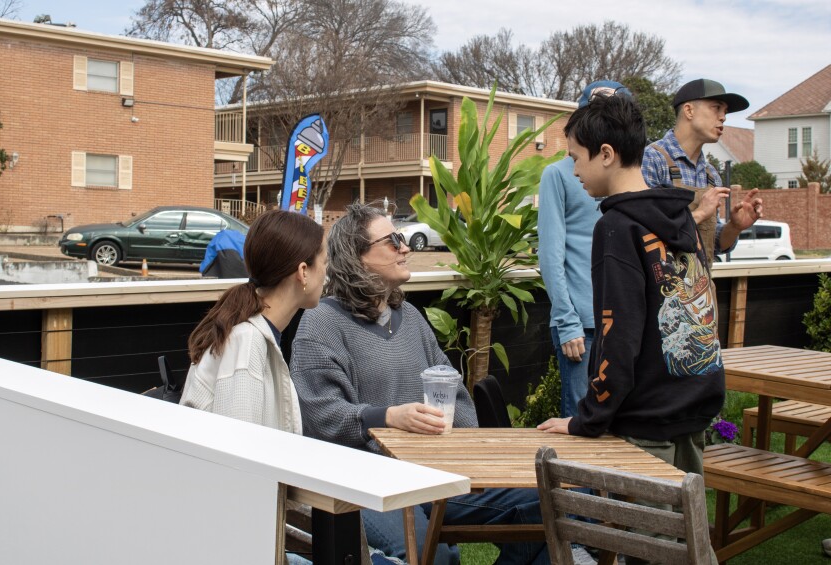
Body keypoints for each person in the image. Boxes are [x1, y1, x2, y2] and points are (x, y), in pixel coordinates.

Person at [290, 203, 550, 565]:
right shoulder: (321, 324)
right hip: (369, 481)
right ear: (358, 257)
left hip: (433, 474)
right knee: (435, 556)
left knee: (547, 505)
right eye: (393, 240)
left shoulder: (409, 317)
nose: (406, 247)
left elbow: (453, 390)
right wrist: (388, 417)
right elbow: (320, 417)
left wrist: (455, 437)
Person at [539, 92, 724, 565]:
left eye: (576, 157)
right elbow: (698, 305)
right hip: (691, 410)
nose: (574, 170)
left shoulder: (616, 227)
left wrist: (586, 420)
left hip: (647, 426)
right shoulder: (677, 214)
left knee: (654, 552)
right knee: (688, 544)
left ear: (606, 154)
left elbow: (616, 337)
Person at [180, 209, 325, 433]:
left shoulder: (251, 332)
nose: (327, 273)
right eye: (325, 263)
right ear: (303, 271)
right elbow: (240, 452)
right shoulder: (246, 342)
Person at [538, 80, 631, 420]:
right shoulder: (559, 174)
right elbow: (549, 253)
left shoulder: (632, 174)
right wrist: (567, 321)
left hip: (621, 321)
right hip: (582, 324)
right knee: (579, 418)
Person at [642, 78, 763, 263]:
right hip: (663, 290)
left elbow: (714, 245)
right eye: (716, 108)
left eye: (725, 112)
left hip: (703, 289)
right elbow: (642, 235)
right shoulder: (652, 160)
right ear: (689, 110)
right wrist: (700, 213)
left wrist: (735, 227)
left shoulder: (711, 176)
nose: (723, 117)